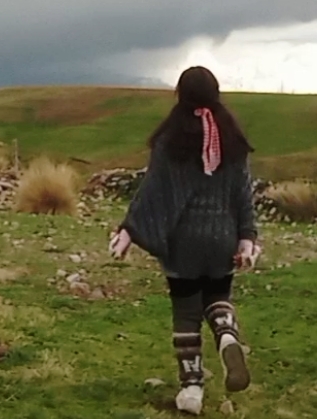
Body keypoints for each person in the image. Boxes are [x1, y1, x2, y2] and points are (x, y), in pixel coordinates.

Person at [109, 66, 259, 416]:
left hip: (182, 242)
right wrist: (246, 238)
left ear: (181, 94)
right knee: (218, 296)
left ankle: (191, 389)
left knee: (186, 314)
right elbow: (243, 194)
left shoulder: (171, 139)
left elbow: (153, 192)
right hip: (222, 236)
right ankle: (226, 333)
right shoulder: (232, 138)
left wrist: (128, 230)